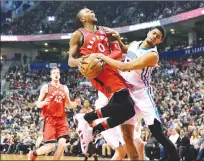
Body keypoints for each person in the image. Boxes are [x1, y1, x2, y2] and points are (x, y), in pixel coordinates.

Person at [93, 26, 180, 161]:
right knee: (127, 135)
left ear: (159, 42)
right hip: (127, 93)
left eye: (158, 37)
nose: (154, 37)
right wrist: (117, 39)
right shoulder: (135, 44)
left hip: (142, 93)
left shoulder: (152, 55)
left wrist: (103, 57)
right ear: (148, 32)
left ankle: (176, 158)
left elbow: (124, 66)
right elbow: (124, 50)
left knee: (157, 133)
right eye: (154, 33)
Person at [69, 8, 138, 160]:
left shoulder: (106, 31)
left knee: (129, 111)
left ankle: (93, 126)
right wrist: (84, 61)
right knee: (126, 106)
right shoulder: (78, 34)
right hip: (99, 73)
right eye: (87, 11)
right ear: (82, 19)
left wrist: (102, 58)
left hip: (113, 69)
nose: (92, 11)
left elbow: (118, 52)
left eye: (92, 10)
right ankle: (86, 118)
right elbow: (71, 61)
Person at [28, 67, 77, 161]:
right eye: (54, 72)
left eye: (58, 72)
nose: (56, 74)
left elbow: (68, 104)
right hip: (50, 119)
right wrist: (42, 103)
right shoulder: (46, 87)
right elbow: (38, 104)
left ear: (60, 75)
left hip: (62, 119)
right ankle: (33, 154)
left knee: (62, 144)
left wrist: (75, 104)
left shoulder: (65, 88)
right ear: (51, 75)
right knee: (50, 147)